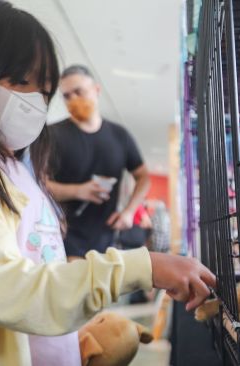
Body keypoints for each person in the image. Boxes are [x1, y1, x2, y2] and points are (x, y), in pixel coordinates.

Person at [0, 2, 215, 365]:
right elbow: (2, 286)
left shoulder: (12, 166)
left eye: (43, 91)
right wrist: (142, 267)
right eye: (20, 81)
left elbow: (35, 268)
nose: (34, 101)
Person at [46, 65, 150, 260]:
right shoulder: (52, 136)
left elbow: (143, 176)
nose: (73, 100)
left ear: (96, 90)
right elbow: (38, 184)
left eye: (79, 92)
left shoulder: (120, 136)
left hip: (106, 241)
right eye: (66, 96)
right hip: (62, 237)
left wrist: (129, 211)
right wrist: (78, 190)